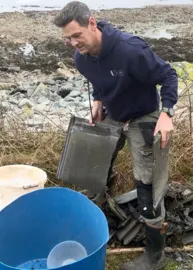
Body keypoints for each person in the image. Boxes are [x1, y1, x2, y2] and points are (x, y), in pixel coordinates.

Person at [53, 2, 178, 270]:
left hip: (144, 114)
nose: (74, 43)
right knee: (92, 167)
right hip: (114, 112)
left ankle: (155, 256)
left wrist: (166, 113)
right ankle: (96, 224)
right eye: (68, 39)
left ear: (92, 23)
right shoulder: (80, 58)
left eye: (77, 35)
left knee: (147, 182)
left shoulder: (130, 50)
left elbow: (168, 75)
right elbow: (99, 80)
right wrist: (98, 100)